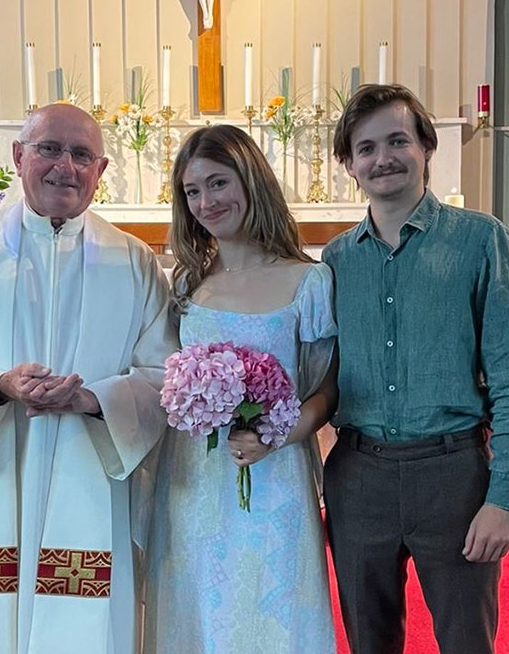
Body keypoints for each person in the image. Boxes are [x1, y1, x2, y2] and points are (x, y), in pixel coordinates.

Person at [0, 103, 177, 654]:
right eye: (49, 148)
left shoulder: (134, 263)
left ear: (101, 170)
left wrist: (95, 399)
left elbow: (164, 376)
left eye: (81, 154)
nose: (64, 166)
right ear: (19, 156)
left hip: (89, 471)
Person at [321, 84, 509, 653]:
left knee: (467, 640)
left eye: (398, 140)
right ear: (349, 164)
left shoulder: (479, 240)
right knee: (369, 642)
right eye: (365, 147)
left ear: (426, 147)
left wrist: (503, 500)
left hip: (452, 476)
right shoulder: (337, 258)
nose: (382, 158)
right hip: (359, 475)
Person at [143, 124, 338, 653]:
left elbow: (327, 388)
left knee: (269, 606)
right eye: (192, 191)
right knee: (200, 603)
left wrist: (280, 434)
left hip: (274, 473)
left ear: (251, 181)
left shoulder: (308, 281)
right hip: (193, 477)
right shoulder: (186, 284)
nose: (206, 201)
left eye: (218, 183)